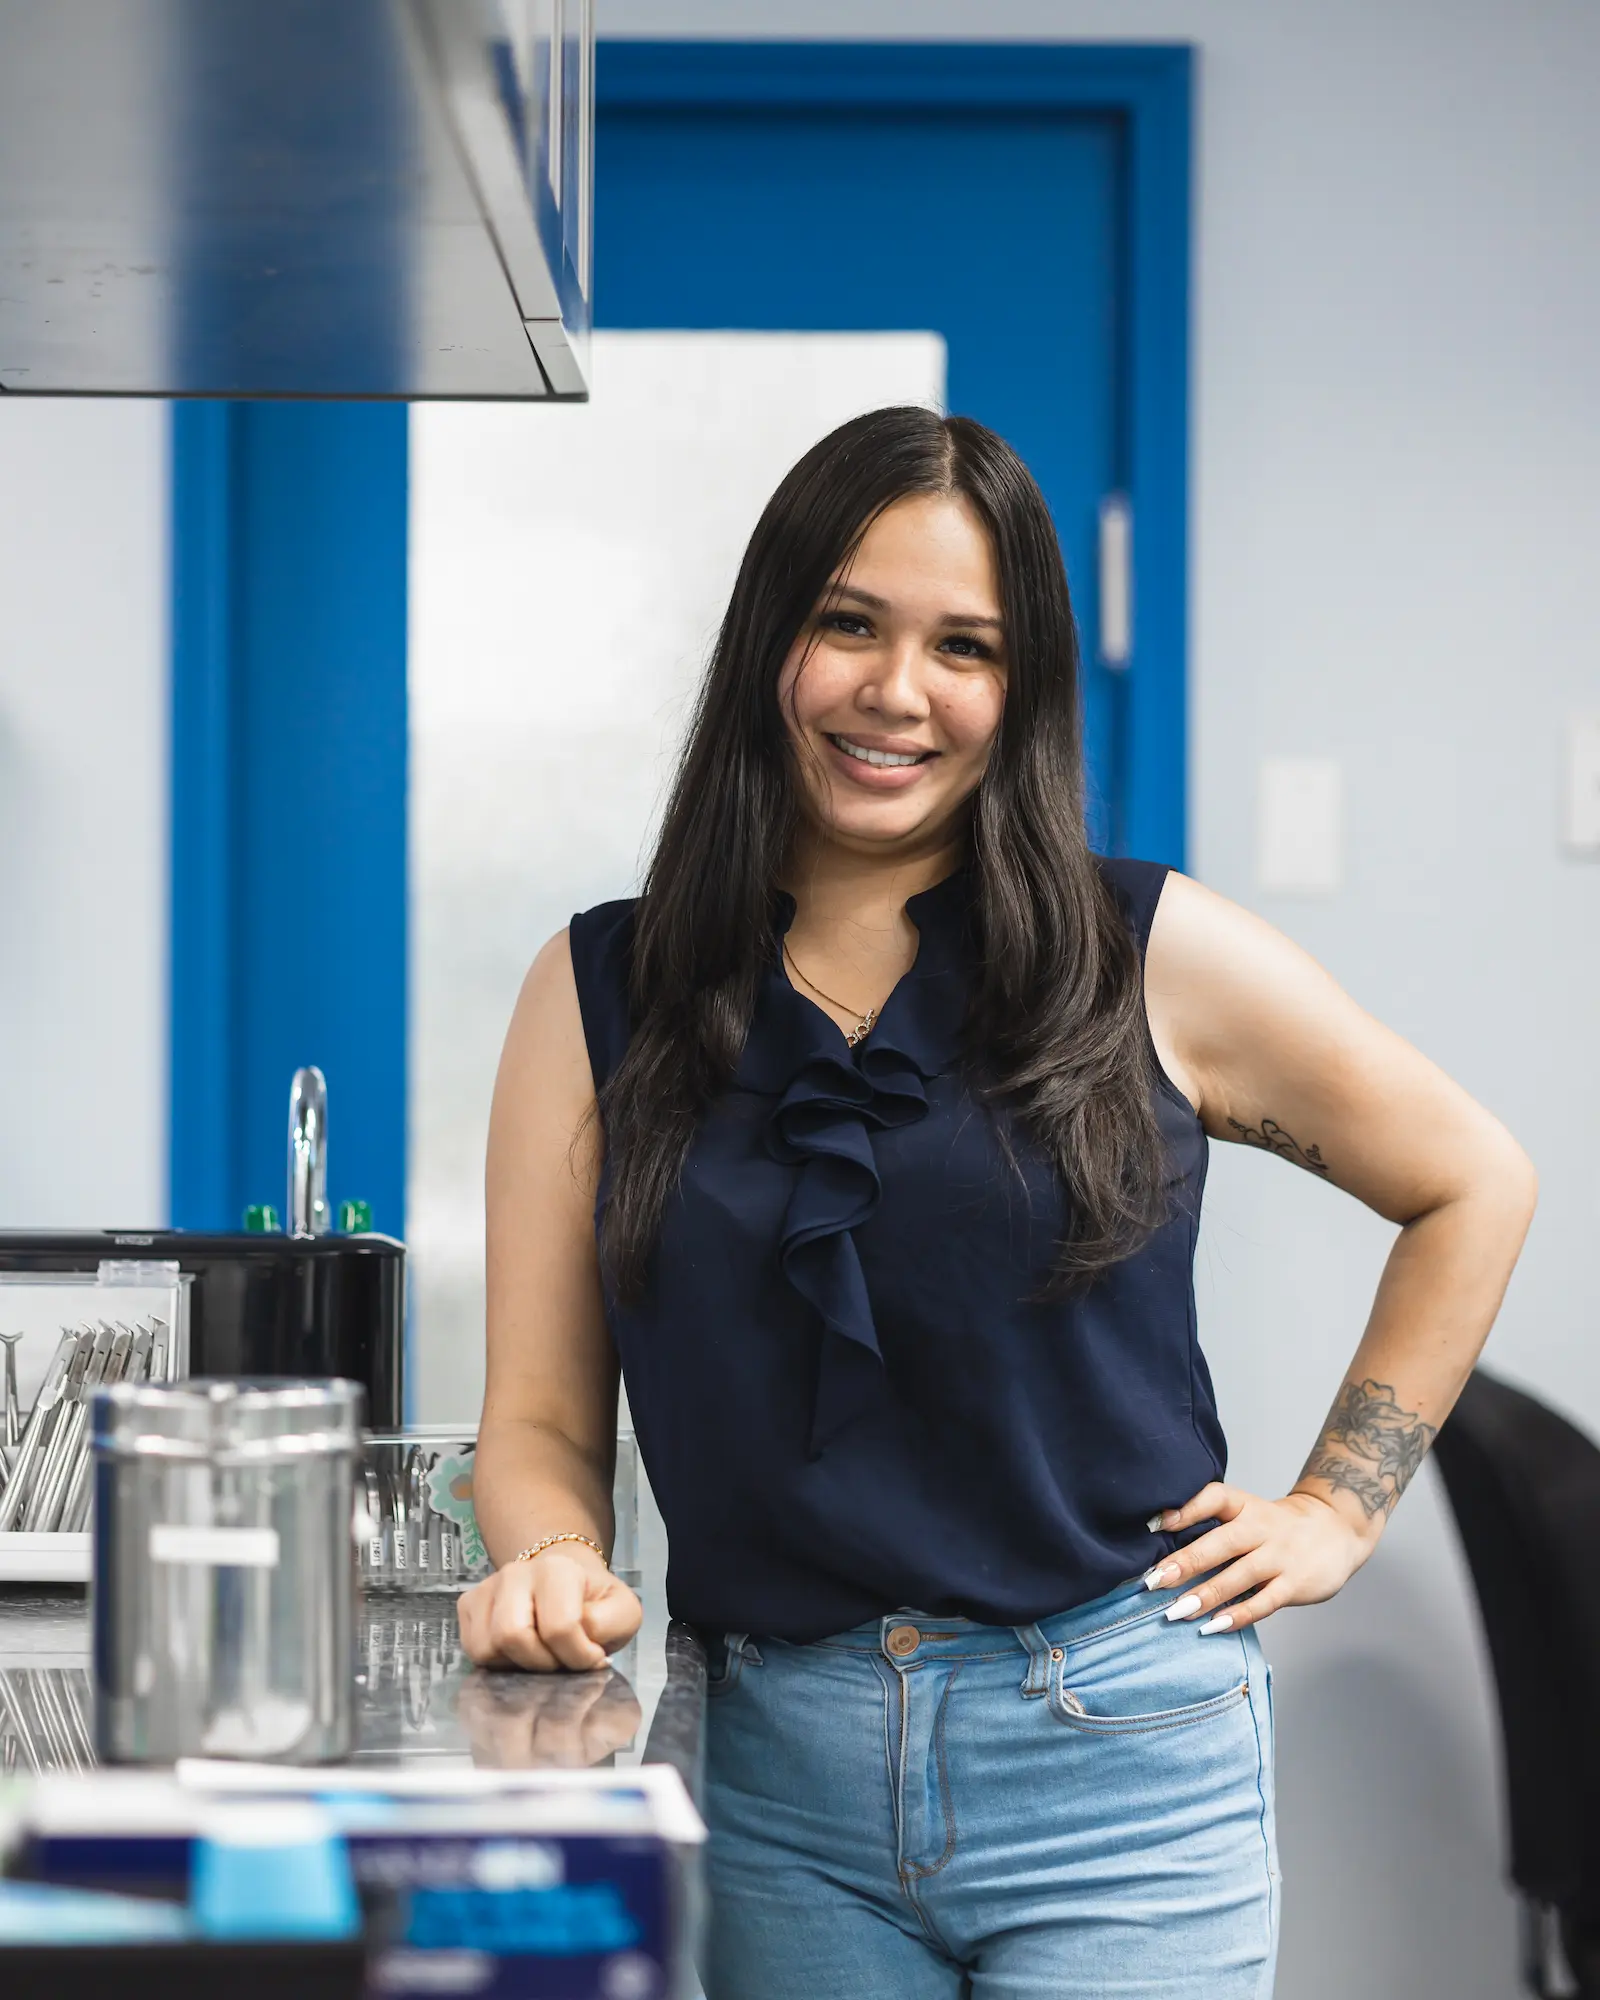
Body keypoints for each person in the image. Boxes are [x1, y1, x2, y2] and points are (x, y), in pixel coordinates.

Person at [458, 407, 1536, 1997]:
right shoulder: (599, 991)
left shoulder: (1148, 952)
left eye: (966, 646)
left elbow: (1471, 1180)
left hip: (1120, 1767)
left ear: (1019, 689)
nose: (899, 692)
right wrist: (550, 1554)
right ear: (773, 640)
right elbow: (542, 1422)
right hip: (773, 1783)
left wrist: (1338, 1506)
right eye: (850, 625)